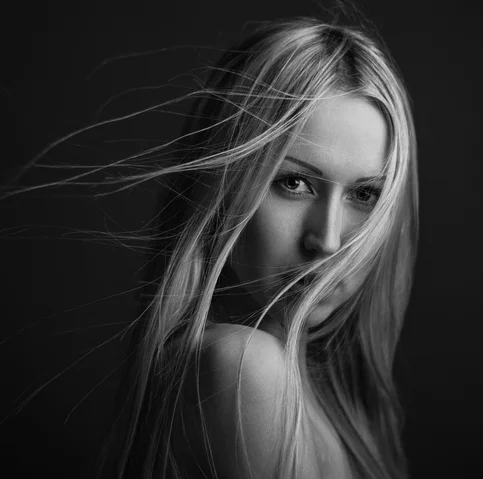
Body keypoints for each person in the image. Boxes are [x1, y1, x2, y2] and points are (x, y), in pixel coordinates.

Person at [95, 14, 420, 479]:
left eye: (365, 195)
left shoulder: (330, 404)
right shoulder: (246, 368)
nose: (327, 241)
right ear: (224, 185)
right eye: (293, 182)